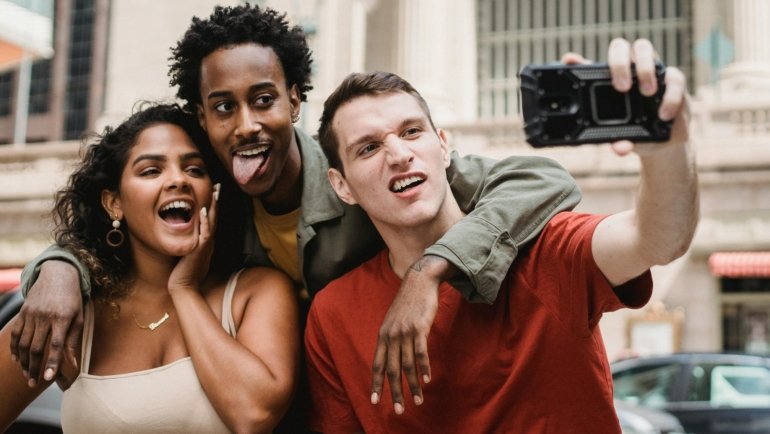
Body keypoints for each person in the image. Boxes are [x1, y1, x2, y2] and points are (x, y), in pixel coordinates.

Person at [14, 2, 579, 403]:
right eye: (223, 108)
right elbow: (119, 237)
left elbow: (540, 180)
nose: (247, 125)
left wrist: (430, 270)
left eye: (263, 100)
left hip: (399, 398)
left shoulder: (363, 172)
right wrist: (57, 269)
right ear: (204, 119)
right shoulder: (211, 202)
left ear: (294, 100)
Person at [305, 39, 699, 433]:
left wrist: (666, 149)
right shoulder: (332, 315)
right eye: (369, 147)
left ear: (443, 147)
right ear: (342, 186)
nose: (398, 154)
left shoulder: (544, 248)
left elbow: (657, 239)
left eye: (411, 132)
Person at [0, 103, 299, 433]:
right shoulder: (76, 315)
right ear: (114, 202)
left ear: (213, 194)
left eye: (195, 169)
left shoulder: (256, 293)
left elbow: (253, 415)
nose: (178, 180)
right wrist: (57, 268)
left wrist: (184, 289)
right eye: (151, 171)